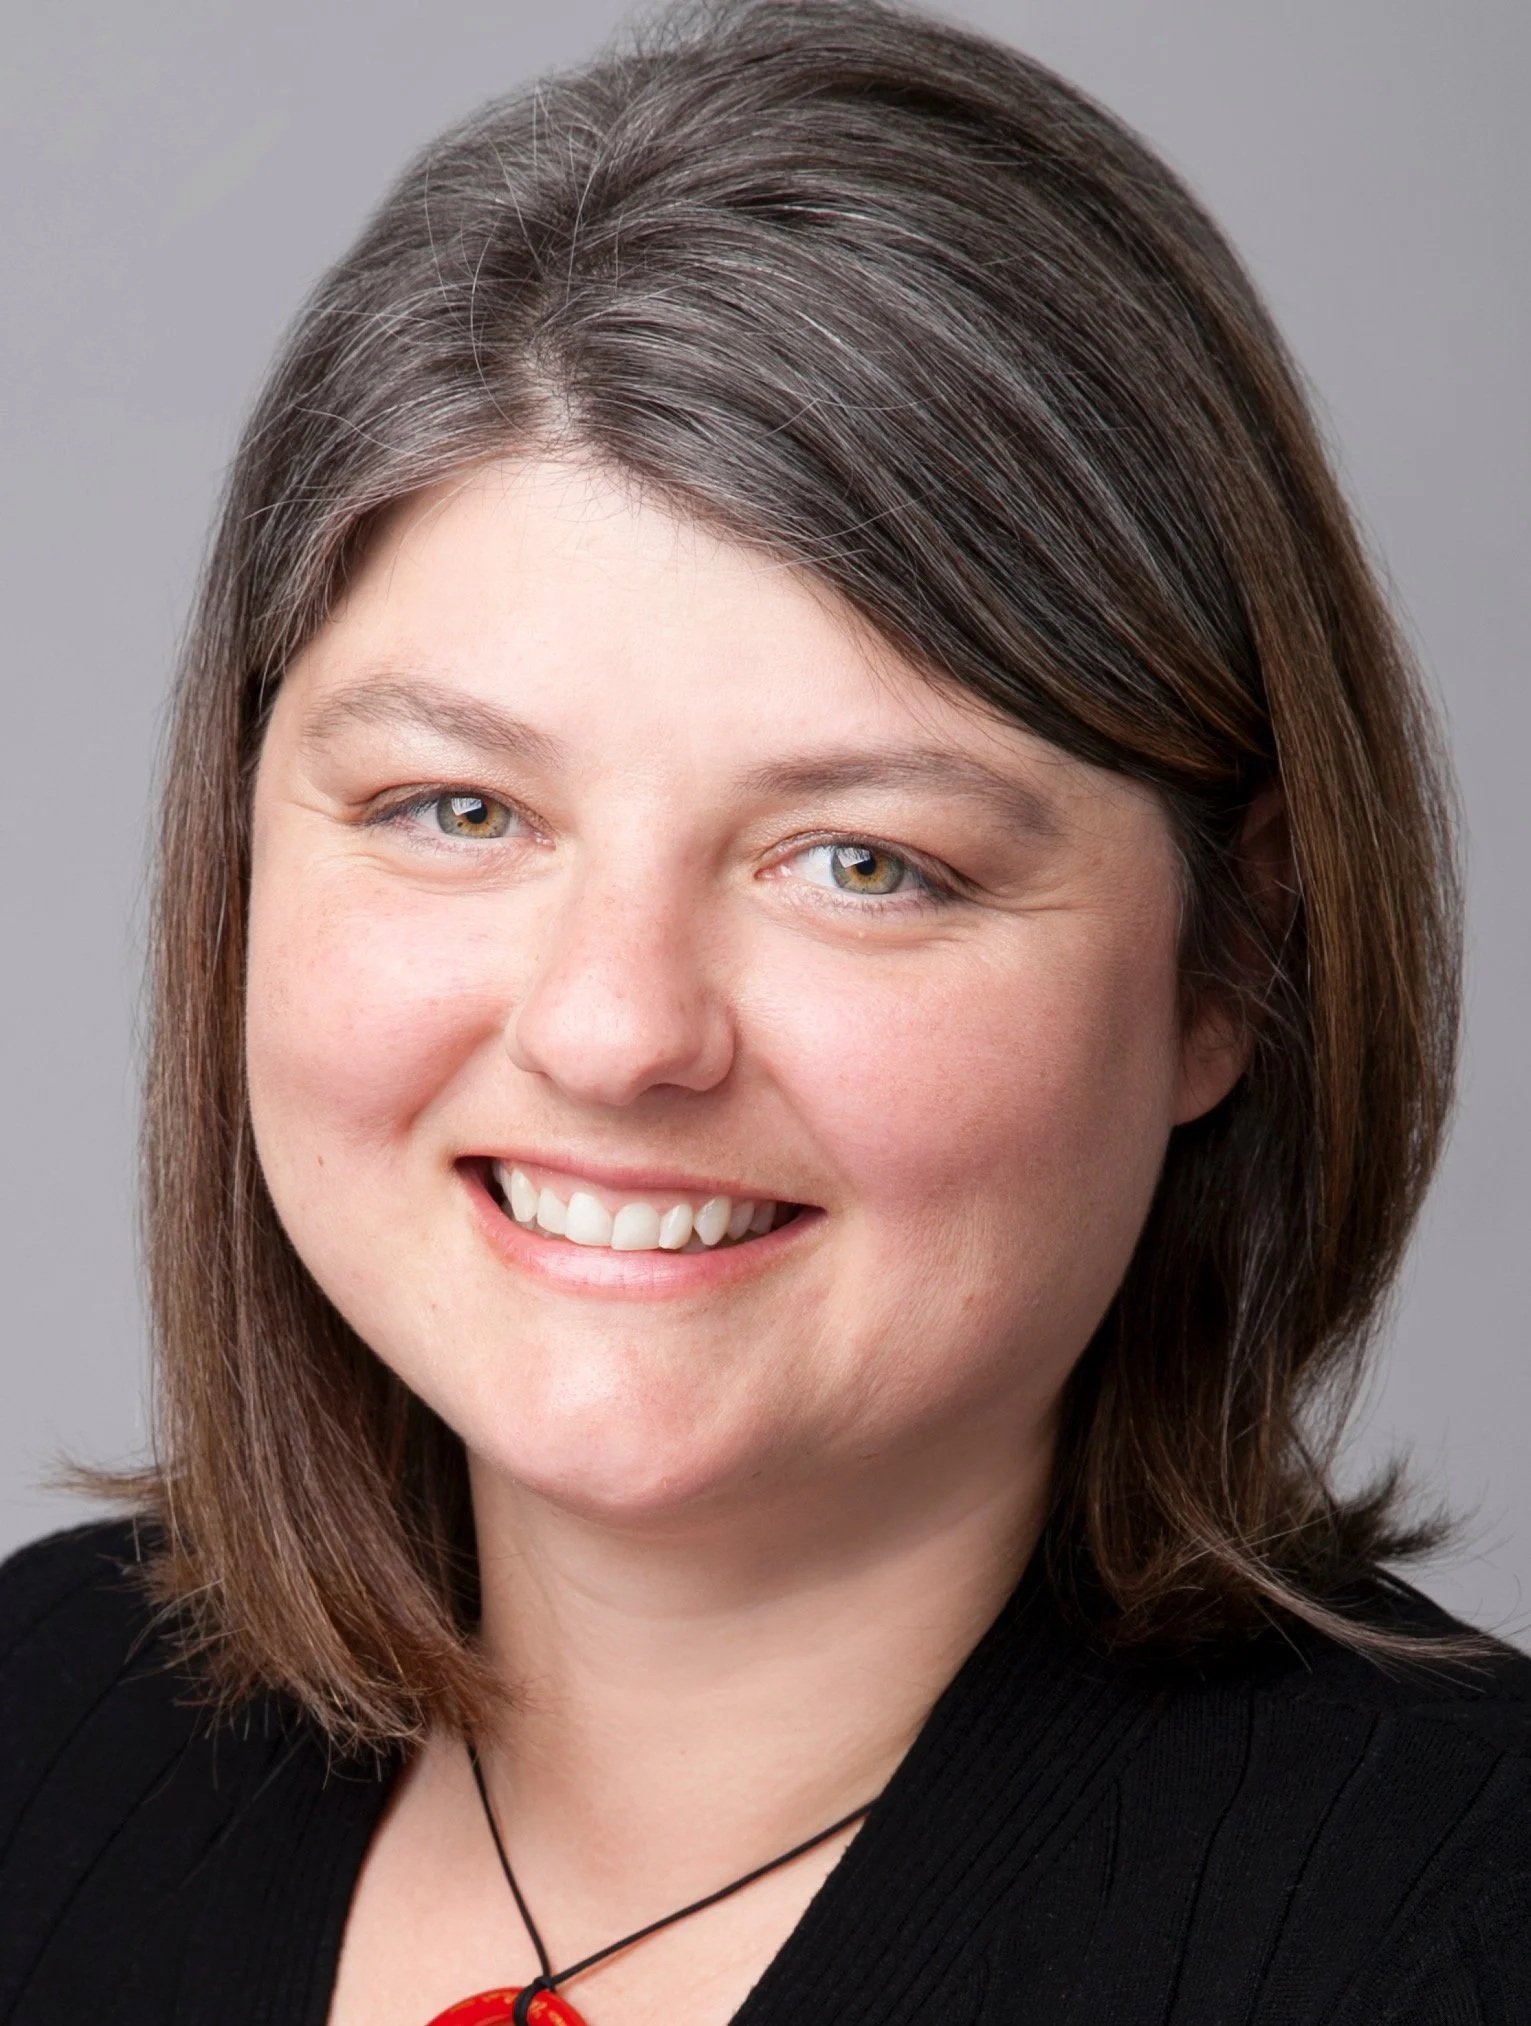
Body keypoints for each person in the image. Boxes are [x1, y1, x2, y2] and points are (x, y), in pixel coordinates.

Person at [3, 0, 1527, 2020]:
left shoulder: (1451, 1924)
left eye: (861, 859)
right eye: (458, 808)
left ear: (1224, 963)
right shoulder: (36, 1725)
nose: (618, 1030)